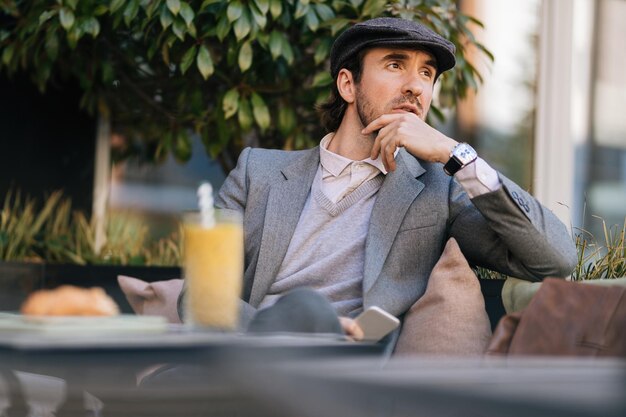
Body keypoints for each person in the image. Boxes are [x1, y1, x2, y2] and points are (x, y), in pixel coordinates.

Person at [188, 17, 577, 350]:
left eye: (426, 73)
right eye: (395, 65)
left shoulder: (438, 193)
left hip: (345, 372)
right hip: (247, 353)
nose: (416, 86)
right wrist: (280, 332)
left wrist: (455, 154)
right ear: (347, 85)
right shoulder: (259, 172)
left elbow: (555, 258)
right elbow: (201, 295)